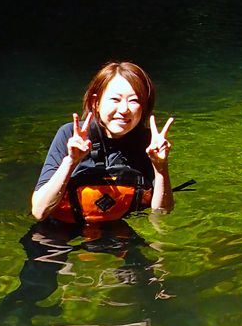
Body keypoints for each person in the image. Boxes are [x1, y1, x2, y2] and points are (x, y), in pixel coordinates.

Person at [31, 61, 175, 224]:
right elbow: (39, 211)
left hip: (115, 230)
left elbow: (161, 215)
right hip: (60, 229)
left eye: (134, 101)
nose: (124, 109)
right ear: (96, 103)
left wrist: (160, 166)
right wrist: (71, 161)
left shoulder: (149, 144)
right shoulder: (70, 135)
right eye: (115, 99)